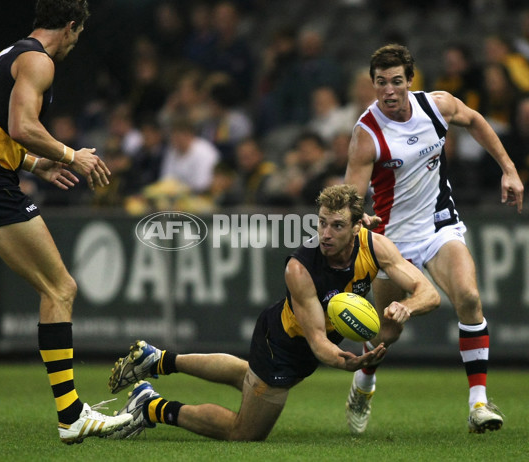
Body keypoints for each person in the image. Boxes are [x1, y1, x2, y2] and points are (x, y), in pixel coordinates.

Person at [0, 0, 133, 444]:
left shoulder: (2, 57)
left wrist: (33, 164)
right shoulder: (39, 60)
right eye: (78, 36)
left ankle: (72, 414)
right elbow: (22, 124)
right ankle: (71, 415)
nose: (75, 45)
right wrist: (69, 154)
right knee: (60, 288)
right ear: (72, 26)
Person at [105, 184, 440, 441]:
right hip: (283, 346)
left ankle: (157, 360)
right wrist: (346, 361)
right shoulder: (300, 267)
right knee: (245, 433)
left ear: (356, 227)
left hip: (293, 340)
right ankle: (151, 408)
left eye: (337, 226)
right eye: (322, 223)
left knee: (245, 376)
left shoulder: (374, 245)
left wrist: (405, 306)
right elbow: (318, 342)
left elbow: (429, 293)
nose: (325, 233)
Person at [344, 44, 524, 435]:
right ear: (373, 85)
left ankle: (478, 404)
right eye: (380, 83)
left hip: (439, 226)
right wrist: (359, 217)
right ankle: (365, 382)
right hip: (391, 240)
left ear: (410, 81)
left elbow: (475, 120)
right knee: (386, 332)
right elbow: (351, 197)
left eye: (396, 82)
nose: (388, 91)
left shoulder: (436, 106)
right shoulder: (367, 133)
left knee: (470, 298)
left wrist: (508, 169)